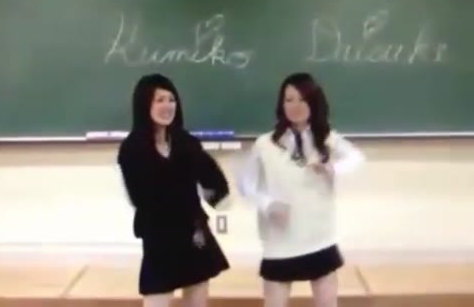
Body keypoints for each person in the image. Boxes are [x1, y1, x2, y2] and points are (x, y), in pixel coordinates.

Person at [237, 72, 365, 307]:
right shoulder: (265, 144)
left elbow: (356, 158)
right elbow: (246, 184)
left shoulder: (325, 138)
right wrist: (268, 204)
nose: (295, 106)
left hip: (319, 237)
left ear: (313, 102)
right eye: (289, 100)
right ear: (281, 104)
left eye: (302, 99)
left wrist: (332, 168)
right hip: (280, 242)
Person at [117, 73, 231, 307]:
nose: (167, 106)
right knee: (156, 297)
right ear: (144, 104)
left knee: (198, 295)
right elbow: (140, 197)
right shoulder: (132, 149)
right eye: (159, 100)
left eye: (171, 100)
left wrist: (216, 197)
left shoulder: (186, 142)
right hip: (159, 237)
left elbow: (213, 180)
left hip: (194, 234)